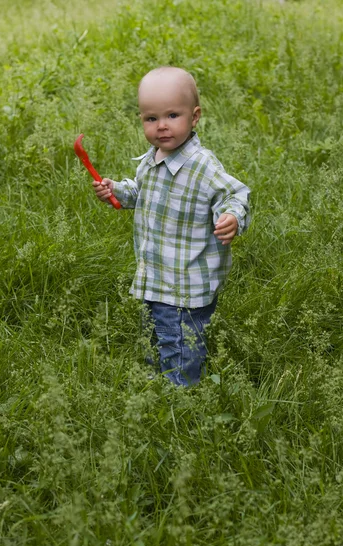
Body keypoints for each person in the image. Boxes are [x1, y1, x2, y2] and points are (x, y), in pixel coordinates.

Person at [93, 66, 250, 386]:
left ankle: (180, 395)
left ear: (194, 117)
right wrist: (115, 191)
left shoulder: (201, 165)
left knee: (179, 341)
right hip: (158, 275)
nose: (161, 126)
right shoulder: (153, 160)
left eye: (172, 116)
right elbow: (140, 193)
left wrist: (231, 216)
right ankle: (159, 375)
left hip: (185, 280)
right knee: (160, 332)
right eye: (151, 119)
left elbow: (234, 193)